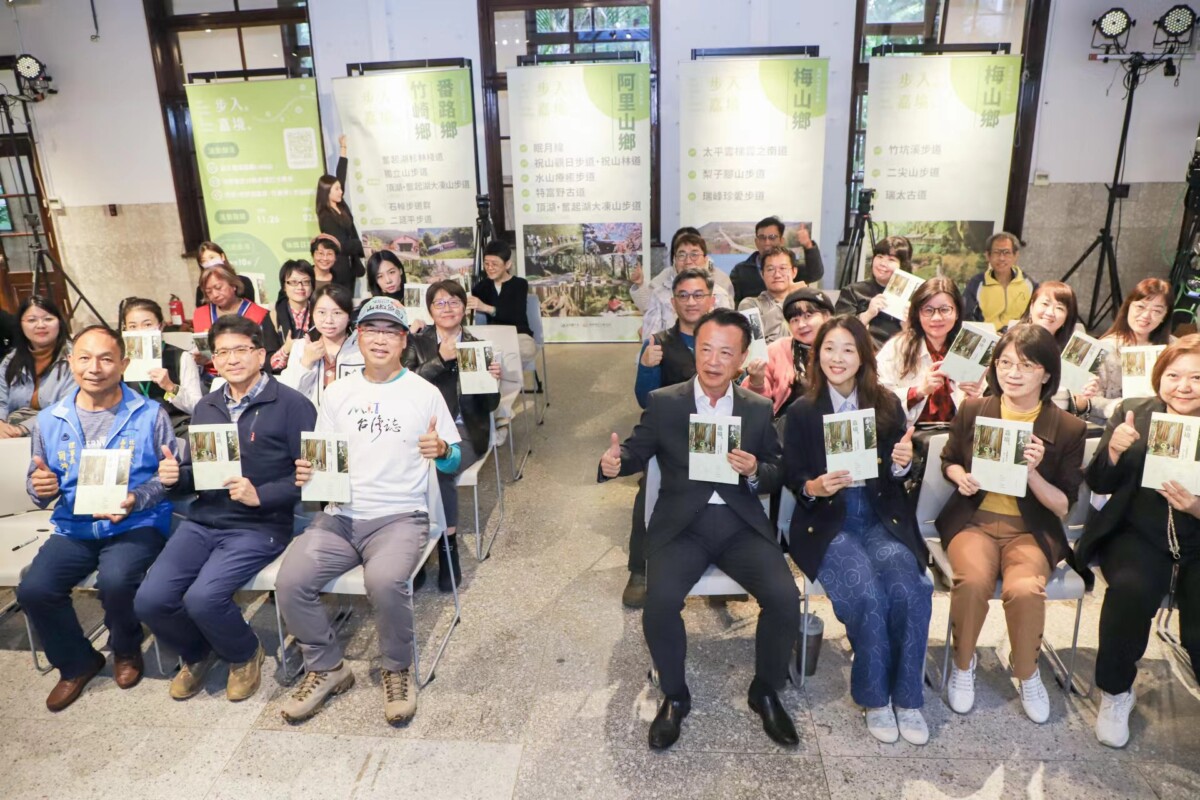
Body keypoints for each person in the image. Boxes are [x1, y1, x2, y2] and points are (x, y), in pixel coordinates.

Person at [598, 308, 800, 750]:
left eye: (725, 352)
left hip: (740, 524)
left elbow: (776, 470)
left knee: (785, 599)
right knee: (659, 603)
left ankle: (765, 691)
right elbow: (635, 451)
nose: (713, 360)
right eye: (705, 349)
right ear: (695, 352)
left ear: (742, 358)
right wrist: (614, 463)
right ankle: (675, 696)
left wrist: (754, 471)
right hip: (682, 525)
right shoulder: (666, 402)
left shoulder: (757, 408)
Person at [276, 298, 462, 725]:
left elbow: (453, 460)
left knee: (384, 581)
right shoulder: (338, 393)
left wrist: (442, 450)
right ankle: (327, 667)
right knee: (291, 580)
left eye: (390, 332)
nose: (380, 339)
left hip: (400, 515)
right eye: (371, 330)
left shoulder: (424, 393)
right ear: (358, 336)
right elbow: (323, 458)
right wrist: (309, 472)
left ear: (404, 341)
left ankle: (396, 669)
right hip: (340, 515)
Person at [134, 314, 316, 703]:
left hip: (260, 524)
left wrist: (261, 495)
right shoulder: (207, 406)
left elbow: (313, 478)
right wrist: (175, 478)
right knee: (150, 599)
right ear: (213, 359)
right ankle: (198, 653)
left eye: (240, 350)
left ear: (261, 354)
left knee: (203, 598)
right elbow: (202, 474)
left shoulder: (292, 405)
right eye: (222, 352)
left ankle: (244, 653)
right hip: (204, 519)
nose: (232, 359)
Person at [784, 316, 932, 744]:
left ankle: (908, 698)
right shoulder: (802, 411)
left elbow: (899, 471)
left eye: (848, 349)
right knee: (867, 593)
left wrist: (903, 463)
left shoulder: (885, 404)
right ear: (817, 355)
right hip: (829, 523)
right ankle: (875, 698)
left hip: (880, 516)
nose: (837, 358)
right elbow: (793, 474)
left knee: (910, 587)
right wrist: (813, 487)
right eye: (829, 348)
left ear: (864, 356)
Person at [16, 325, 176, 711]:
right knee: (34, 589)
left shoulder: (149, 414)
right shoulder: (50, 420)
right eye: (85, 358)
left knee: (117, 580)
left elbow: (168, 478)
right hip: (75, 525)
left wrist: (136, 498)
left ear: (124, 363)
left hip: (136, 522)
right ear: (70, 362)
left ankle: (126, 647)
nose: (95, 368)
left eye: (106, 359)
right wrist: (41, 487)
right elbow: (39, 482)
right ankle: (77, 662)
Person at [938, 323, 1086, 724]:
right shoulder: (974, 409)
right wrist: (960, 476)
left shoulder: (1068, 428)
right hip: (973, 522)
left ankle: (1027, 672)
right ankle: (963, 665)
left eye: (1026, 365)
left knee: (1024, 589)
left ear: (1047, 373)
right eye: (1005, 363)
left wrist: (1032, 473)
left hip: (1030, 529)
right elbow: (949, 459)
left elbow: (1062, 505)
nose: (1012, 373)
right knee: (972, 581)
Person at [1076, 335, 1200, 748]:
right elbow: (1099, 482)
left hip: (1197, 538)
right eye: (1174, 375)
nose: (1184, 386)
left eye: (1197, 378)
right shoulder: (1133, 412)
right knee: (1130, 591)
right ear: (1159, 376)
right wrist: (1113, 451)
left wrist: (1196, 506)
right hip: (1136, 533)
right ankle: (1116, 692)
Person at [623, 268, 717, 608]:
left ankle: (726, 562)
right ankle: (640, 569)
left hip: (716, 433)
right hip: (671, 436)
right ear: (673, 302)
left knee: (735, 487)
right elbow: (644, 400)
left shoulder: (726, 340)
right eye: (683, 296)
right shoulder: (658, 343)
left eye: (698, 295)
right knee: (648, 487)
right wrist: (648, 368)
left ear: (711, 300)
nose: (691, 302)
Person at [402, 280, 501, 591]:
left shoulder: (476, 346)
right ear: (430, 310)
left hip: (464, 431)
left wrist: (492, 383)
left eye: (454, 302)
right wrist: (441, 360)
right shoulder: (416, 343)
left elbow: (489, 406)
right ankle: (414, 548)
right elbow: (405, 387)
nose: (447, 309)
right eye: (440, 303)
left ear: (464, 307)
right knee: (403, 468)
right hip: (419, 429)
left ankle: (448, 548)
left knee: (439, 468)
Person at [878, 277, 982, 426]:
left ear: (957, 313)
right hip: (910, 433)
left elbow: (980, 409)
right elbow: (880, 398)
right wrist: (919, 391)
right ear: (918, 314)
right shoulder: (897, 347)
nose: (937, 317)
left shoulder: (970, 345)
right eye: (928, 310)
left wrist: (974, 398)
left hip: (958, 433)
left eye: (945, 310)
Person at [1092, 278, 1175, 424]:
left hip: (1163, 423)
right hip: (1114, 423)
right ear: (1128, 307)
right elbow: (1088, 399)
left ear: (1165, 316)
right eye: (1140, 307)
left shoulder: (1175, 347)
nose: (1146, 316)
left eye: (1156, 311)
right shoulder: (1103, 347)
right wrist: (1121, 407)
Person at [745, 287, 834, 418]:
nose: (801, 325)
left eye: (808, 316)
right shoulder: (777, 350)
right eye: (794, 320)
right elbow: (753, 406)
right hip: (787, 424)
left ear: (826, 316)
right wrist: (756, 383)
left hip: (835, 421)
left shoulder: (843, 347)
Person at [120, 297, 203, 435]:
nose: (140, 331)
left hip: (174, 427)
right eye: (133, 326)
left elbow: (198, 408)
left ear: (161, 326)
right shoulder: (120, 361)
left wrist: (171, 387)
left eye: (147, 324)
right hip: (133, 429)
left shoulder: (181, 357)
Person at [1017, 281, 1097, 417]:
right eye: (1045, 304)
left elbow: (1080, 410)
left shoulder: (1076, 352)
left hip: (1059, 420)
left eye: (1059, 308)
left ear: (1067, 317)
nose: (1050, 312)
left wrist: (1082, 398)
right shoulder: (1010, 344)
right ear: (1031, 306)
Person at [634, 232, 733, 338]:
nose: (688, 261)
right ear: (675, 261)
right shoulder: (660, 294)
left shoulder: (719, 294)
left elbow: (728, 337)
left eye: (694, 255)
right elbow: (650, 339)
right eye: (681, 255)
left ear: (705, 260)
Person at [0, 296, 72, 438]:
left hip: (58, 433)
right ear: (20, 325)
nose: (40, 325)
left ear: (59, 322)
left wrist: (23, 428)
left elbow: (69, 406)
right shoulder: (10, 360)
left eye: (48, 319)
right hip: (10, 435)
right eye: (32, 320)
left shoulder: (76, 358)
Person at [279, 284, 362, 406]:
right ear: (312, 314)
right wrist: (306, 362)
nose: (329, 320)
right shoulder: (301, 347)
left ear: (349, 316)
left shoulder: (360, 349)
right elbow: (288, 395)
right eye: (321, 312)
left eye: (337, 313)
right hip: (312, 417)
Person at [835, 235, 911, 348]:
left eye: (891, 260)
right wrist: (868, 314)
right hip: (862, 354)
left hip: (899, 353)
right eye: (879, 256)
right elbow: (837, 330)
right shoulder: (853, 291)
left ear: (903, 266)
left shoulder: (912, 297)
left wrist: (908, 325)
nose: (883, 263)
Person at [468, 240, 536, 364]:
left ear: (507, 264)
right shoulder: (481, 287)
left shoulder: (520, 284)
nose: (490, 268)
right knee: (470, 357)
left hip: (518, 334)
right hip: (493, 335)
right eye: (486, 264)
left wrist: (486, 308)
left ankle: (502, 372)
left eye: (494, 264)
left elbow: (516, 315)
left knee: (524, 351)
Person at [730, 216, 824, 306]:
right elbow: (733, 302)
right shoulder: (740, 271)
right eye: (762, 237)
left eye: (772, 237)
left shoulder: (790, 267)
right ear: (756, 242)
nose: (767, 242)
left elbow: (815, 274)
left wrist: (808, 245)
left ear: (781, 241)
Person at [193, 263, 282, 356]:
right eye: (209, 292)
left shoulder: (260, 314)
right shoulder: (200, 315)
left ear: (233, 285)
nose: (215, 295)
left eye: (218, 288)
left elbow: (268, 354)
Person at [315, 135, 366, 291]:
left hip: (350, 265)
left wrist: (343, 148)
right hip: (338, 269)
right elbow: (340, 245)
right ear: (327, 192)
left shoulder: (340, 204)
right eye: (336, 189)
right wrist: (364, 245)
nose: (341, 191)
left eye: (340, 188)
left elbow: (341, 175)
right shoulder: (326, 216)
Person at [962, 232, 1037, 328]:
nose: (1001, 258)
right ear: (988, 256)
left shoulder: (1029, 284)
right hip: (985, 335)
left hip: (1018, 335)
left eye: (1007, 252)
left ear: (1015, 256)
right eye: (996, 252)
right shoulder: (976, 283)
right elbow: (966, 316)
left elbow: (1034, 317)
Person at [737, 246, 804, 343]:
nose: (777, 275)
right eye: (770, 269)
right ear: (762, 274)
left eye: (783, 268)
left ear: (794, 272)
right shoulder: (750, 304)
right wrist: (788, 300)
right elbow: (754, 335)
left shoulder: (805, 304)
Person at [269, 260, 316, 372]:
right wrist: (286, 349)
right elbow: (268, 363)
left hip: (315, 373)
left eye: (306, 282)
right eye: (294, 282)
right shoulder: (273, 316)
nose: (300, 287)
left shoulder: (320, 313)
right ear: (284, 286)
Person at [194, 241, 253, 308]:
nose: (209, 262)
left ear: (222, 256)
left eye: (212, 257)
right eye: (203, 261)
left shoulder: (244, 282)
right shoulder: (201, 290)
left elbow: (251, 308)